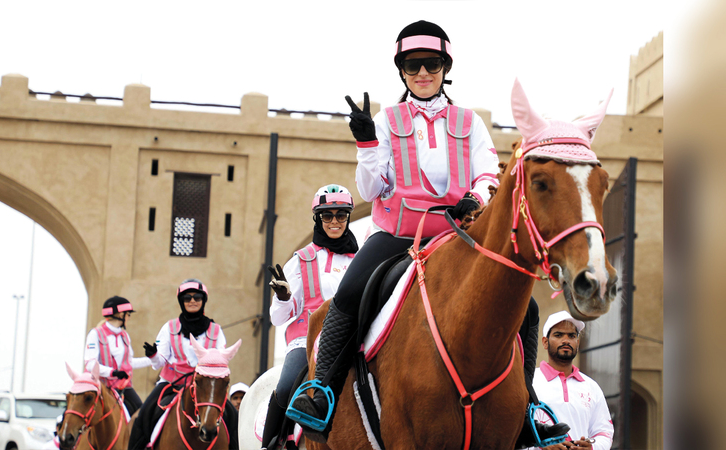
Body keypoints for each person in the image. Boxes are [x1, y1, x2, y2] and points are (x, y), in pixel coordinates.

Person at [288, 20, 567, 446]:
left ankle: (527, 406)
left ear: (444, 68)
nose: (422, 73)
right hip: (396, 237)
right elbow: (370, 190)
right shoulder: (386, 119)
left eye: (431, 64)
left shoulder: (469, 122)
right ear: (401, 70)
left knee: (525, 306)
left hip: (458, 237)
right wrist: (366, 145)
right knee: (349, 294)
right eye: (413, 65)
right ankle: (321, 391)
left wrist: (475, 198)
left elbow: (487, 173)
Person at [262, 185, 359, 449]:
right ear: (318, 219)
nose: (334, 221)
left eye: (341, 215)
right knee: (286, 387)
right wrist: (283, 298)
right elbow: (277, 319)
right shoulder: (301, 260)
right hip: (305, 342)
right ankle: (272, 443)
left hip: (351, 339)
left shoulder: (360, 260)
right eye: (327, 215)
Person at [128, 279, 230, 450]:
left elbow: (221, 359)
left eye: (197, 297)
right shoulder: (169, 327)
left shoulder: (216, 330)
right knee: (145, 414)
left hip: (204, 385)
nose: (192, 301)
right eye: (187, 298)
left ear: (203, 300)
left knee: (232, 416)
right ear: (181, 302)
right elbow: (159, 362)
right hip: (172, 384)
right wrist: (153, 355)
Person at [527, 311, 614, 450]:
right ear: (545, 342)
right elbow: (511, 433)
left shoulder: (591, 387)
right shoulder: (529, 382)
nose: (566, 340)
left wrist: (592, 447)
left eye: (572, 336)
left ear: (577, 343)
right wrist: (542, 447)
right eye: (558, 335)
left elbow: (604, 432)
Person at [84, 295, 151, 415]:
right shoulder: (95, 334)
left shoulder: (125, 336)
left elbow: (129, 363)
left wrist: (152, 358)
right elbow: (90, 364)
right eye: (128, 314)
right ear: (120, 315)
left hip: (122, 387)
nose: (129, 318)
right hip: (100, 386)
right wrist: (113, 373)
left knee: (142, 415)